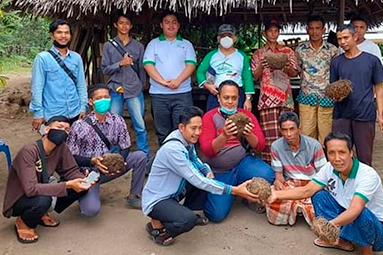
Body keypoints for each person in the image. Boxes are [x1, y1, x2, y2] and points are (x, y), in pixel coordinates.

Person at [142, 106, 260, 246]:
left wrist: (207, 170)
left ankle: (182, 212)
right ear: (182, 127)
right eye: (193, 128)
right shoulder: (173, 150)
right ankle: (157, 226)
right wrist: (234, 190)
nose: (198, 133)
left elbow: (197, 162)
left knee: (206, 179)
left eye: (200, 128)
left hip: (172, 192)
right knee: (188, 220)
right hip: (157, 200)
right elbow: (196, 179)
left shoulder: (185, 139)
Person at [269, 132, 383, 255]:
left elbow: (355, 209)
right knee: (319, 196)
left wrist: (330, 225)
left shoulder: (367, 175)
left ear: (351, 153)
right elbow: (307, 190)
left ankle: (367, 251)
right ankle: (341, 240)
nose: (337, 158)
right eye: (331, 153)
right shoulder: (329, 168)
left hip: (375, 229)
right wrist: (276, 194)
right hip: (347, 216)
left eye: (342, 152)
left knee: (362, 213)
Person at [3, 116, 94, 243]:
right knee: (43, 200)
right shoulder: (29, 151)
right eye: (59, 127)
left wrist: (82, 179)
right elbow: (31, 189)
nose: (63, 132)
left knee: (80, 188)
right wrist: (67, 185)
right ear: (46, 129)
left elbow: (70, 170)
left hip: (42, 188)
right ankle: (23, 222)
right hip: (20, 198)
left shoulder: (61, 147)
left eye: (67, 130)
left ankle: (41, 213)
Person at [199, 80, 275, 222]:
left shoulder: (247, 115)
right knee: (216, 215)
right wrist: (224, 136)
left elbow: (260, 146)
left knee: (268, 174)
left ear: (238, 99)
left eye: (234, 98)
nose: (230, 102)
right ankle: (219, 192)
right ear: (219, 98)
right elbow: (207, 150)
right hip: (219, 170)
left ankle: (245, 194)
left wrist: (249, 134)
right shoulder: (209, 117)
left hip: (241, 164)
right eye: (226, 97)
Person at [67, 84, 147, 214]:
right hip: (89, 173)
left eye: (106, 97)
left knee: (140, 156)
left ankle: (134, 196)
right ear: (91, 102)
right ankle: (84, 192)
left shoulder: (117, 120)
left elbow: (125, 146)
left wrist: (119, 163)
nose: (103, 100)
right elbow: (71, 157)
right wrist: (92, 161)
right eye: (99, 98)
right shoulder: (79, 126)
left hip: (109, 167)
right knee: (90, 211)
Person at [330, 24, 383, 166]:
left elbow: (379, 88)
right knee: (340, 154)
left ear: (355, 37)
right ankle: (343, 186)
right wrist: (337, 94)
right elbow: (332, 87)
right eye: (339, 39)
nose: (342, 42)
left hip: (365, 113)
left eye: (346, 38)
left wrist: (380, 114)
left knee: (364, 156)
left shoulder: (372, 61)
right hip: (341, 114)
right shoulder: (336, 62)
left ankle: (366, 187)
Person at [143, 10, 197, 144]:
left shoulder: (186, 44)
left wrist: (178, 81)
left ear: (178, 25)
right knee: (162, 131)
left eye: (174, 22)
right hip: (159, 94)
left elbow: (191, 65)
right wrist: (163, 82)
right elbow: (148, 65)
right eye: (167, 22)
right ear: (161, 25)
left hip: (182, 93)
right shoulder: (153, 44)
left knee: (183, 129)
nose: (170, 25)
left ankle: (183, 160)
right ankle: (165, 159)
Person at [101, 12, 149, 156]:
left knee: (140, 125)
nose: (124, 26)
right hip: (115, 88)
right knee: (113, 124)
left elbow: (142, 69)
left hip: (134, 89)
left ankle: (143, 155)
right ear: (116, 25)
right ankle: (114, 155)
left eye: (127, 23)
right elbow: (104, 69)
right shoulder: (108, 46)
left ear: (131, 26)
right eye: (121, 23)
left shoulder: (138, 46)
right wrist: (120, 64)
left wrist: (141, 86)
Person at [266, 112, 327, 226]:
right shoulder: (276, 146)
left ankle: (297, 209)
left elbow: (323, 174)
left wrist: (313, 189)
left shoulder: (314, 145)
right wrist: (278, 182)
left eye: (292, 129)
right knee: (271, 198)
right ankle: (299, 208)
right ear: (280, 130)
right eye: (284, 130)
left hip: (311, 183)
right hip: (291, 183)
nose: (288, 134)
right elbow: (279, 176)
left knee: (321, 203)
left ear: (299, 128)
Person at [251, 19, 298, 164]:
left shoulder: (288, 51)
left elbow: (294, 72)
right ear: (265, 33)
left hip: (285, 99)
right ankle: (270, 166)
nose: (273, 33)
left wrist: (286, 66)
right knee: (270, 136)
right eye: (270, 30)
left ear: (278, 33)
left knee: (287, 134)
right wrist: (262, 65)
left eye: (276, 30)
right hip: (267, 100)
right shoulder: (259, 53)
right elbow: (254, 76)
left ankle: (289, 165)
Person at [29, 19, 87, 131]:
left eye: (67, 32)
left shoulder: (76, 58)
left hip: (75, 112)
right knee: (54, 146)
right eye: (59, 32)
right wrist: (38, 113)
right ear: (52, 35)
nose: (63, 36)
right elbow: (37, 88)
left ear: (70, 35)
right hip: (52, 114)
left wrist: (83, 108)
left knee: (74, 146)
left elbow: (81, 85)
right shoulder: (42, 58)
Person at [295, 16, 338, 145]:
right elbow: (295, 70)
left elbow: (337, 73)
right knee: (306, 133)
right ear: (307, 30)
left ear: (324, 30)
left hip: (327, 97)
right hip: (307, 97)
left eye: (318, 28)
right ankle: (309, 163)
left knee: (326, 133)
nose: (315, 32)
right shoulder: (300, 50)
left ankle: (326, 162)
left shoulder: (332, 50)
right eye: (311, 28)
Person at [196, 24, 255, 111]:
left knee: (237, 121)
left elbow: (247, 78)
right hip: (216, 93)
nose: (226, 38)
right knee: (214, 121)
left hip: (237, 94)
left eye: (230, 36)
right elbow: (200, 72)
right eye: (223, 36)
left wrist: (248, 99)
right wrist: (207, 85)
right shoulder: (211, 55)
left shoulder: (241, 56)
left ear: (235, 38)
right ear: (218, 38)